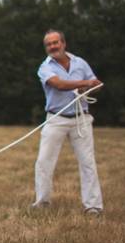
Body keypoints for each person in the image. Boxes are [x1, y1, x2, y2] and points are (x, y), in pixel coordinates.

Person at [34, 29, 104, 215]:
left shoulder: (80, 63)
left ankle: (93, 206)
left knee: (87, 162)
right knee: (44, 162)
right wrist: (85, 84)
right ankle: (42, 203)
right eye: (48, 44)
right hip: (56, 118)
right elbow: (59, 84)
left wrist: (91, 87)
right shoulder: (44, 67)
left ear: (64, 43)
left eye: (55, 42)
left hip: (81, 119)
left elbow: (94, 84)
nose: (52, 47)